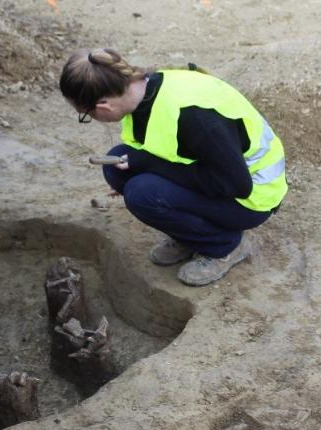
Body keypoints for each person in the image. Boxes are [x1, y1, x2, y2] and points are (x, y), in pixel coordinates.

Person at [59, 48, 287, 286]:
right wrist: (146, 165)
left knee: (142, 193)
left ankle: (224, 245)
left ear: (104, 106)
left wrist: (150, 166)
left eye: (86, 115)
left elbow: (236, 185)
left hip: (253, 197)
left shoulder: (196, 118)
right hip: (222, 176)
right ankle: (190, 236)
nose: (90, 119)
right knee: (116, 165)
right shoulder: (144, 92)